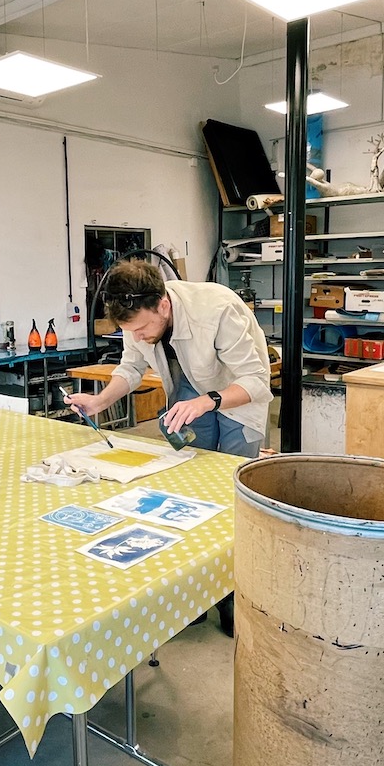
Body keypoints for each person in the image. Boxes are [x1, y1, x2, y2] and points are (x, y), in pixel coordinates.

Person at [66, 258, 272, 635]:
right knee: (189, 494)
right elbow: (130, 369)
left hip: (235, 397)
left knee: (231, 501)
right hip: (188, 395)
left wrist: (206, 401)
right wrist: (99, 402)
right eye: (132, 331)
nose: (140, 336)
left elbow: (258, 382)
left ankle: (233, 599)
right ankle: (194, 593)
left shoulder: (219, 309)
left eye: (143, 328)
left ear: (163, 305)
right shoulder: (137, 317)